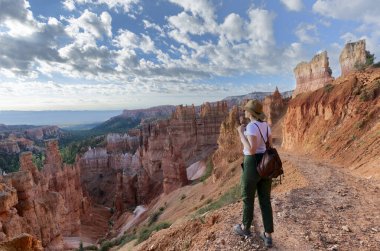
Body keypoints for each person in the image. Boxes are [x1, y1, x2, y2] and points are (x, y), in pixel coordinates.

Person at [233, 99, 274, 248]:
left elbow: (251, 149)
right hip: (266, 164)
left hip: (252, 163)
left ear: (250, 113)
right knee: (265, 200)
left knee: (248, 198)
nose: (244, 112)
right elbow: (270, 144)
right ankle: (268, 236)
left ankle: (245, 228)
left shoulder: (251, 127)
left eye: (246, 110)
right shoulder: (267, 126)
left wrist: (240, 133)